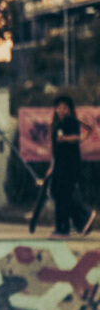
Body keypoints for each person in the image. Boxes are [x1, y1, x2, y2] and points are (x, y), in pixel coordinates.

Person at [48, 95, 96, 238]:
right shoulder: (58, 124)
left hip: (69, 165)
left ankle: (63, 228)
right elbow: (55, 148)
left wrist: (65, 139)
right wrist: (52, 166)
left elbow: (77, 137)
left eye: (64, 108)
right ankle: (82, 218)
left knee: (63, 195)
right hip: (60, 165)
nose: (61, 110)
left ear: (69, 110)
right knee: (57, 193)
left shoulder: (70, 122)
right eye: (59, 108)